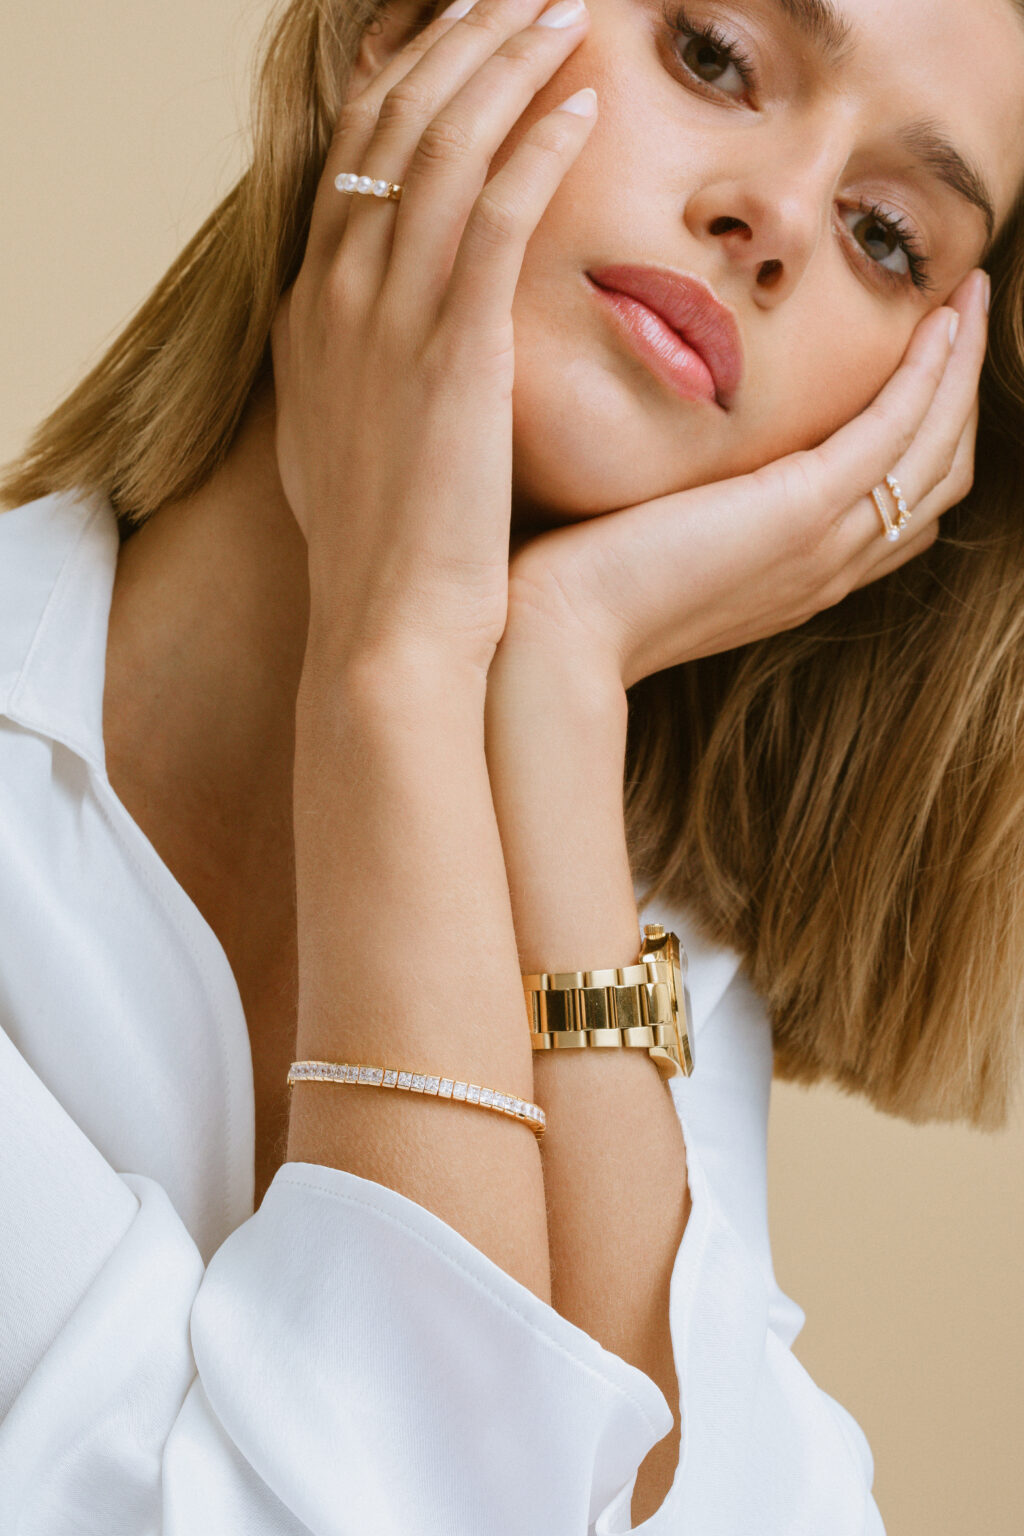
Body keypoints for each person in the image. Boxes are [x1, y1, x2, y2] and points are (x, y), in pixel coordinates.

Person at [2, 0, 1023, 1528]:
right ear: (408, 28)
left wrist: (551, 680)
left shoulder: (650, 951)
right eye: (713, 54)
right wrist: (399, 658)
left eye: (888, 236)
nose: (778, 223)